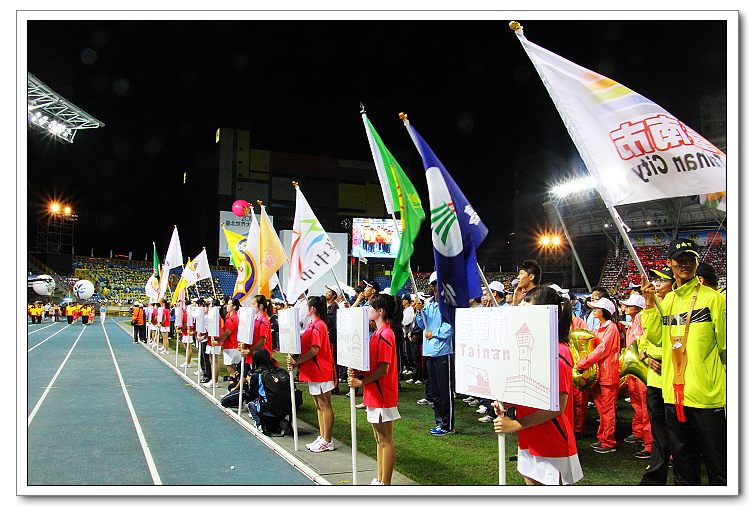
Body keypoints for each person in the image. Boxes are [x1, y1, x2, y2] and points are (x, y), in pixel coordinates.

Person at [640, 238, 726, 485]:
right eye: (679, 260)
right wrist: (649, 306)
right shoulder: (667, 301)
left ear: (697, 262)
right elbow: (656, 337)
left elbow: (725, 347)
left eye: (690, 258)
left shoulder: (714, 299)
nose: (685, 264)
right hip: (673, 396)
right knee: (683, 465)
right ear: (671, 263)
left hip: (706, 397)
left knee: (718, 466)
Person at [492, 286, 583, 485]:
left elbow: (557, 406)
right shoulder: (538, 350)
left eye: (527, 311)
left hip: (552, 442)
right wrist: (508, 403)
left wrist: (515, 424)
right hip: (529, 438)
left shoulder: (558, 353)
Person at [348, 293, 402, 485]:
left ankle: (385, 483)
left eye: (371, 307)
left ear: (380, 311)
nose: (368, 310)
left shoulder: (386, 334)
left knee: (385, 440)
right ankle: (380, 479)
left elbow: (383, 369)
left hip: (382, 394)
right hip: (375, 393)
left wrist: (361, 382)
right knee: (379, 440)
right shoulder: (378, 333)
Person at [638, 265, 675, 484]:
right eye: (657, 280)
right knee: (659, 430)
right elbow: (644, 340)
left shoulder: (675, 306)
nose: (657, 285)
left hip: (672, 378)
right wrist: (646, 357)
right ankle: (656, 474)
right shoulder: (653, 307)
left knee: (676, 431)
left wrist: (658, 355)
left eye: (663, 281)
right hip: (654, 379)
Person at [286, 296, 336, 453]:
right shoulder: (313, 325)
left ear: (312, 309)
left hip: (321, 370)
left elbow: (315, 350)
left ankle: (327, 440)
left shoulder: (318, 325)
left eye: (307, 306)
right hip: (314, 371)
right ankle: (323, 436)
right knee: (319, 405)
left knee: (324, 405)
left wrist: (297, 361)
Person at [576, 296, 620, 453]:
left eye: (596, 308)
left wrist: (583, 363)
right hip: (599, 374)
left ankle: (608, 442)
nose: (593, 310)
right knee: (602, 409)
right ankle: (603, 438)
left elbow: (601, 350)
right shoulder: (598, 328)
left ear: (605, 311)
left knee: (607, 410)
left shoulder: (611, 329)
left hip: (608, 374)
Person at [416, 271, 455, 436]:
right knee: (436, 391)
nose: (436, 288)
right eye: (434, 285)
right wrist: (419, 312)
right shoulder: (429, 304)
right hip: (429, 351)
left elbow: (451, 326)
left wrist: (435, 333)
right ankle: (440, 422)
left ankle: (448, 425)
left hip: (442, 352)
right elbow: (422, 324)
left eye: (438, 284)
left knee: (445, 390)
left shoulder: (448, 304)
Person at [619, 293, 652, 459]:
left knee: (644, 406)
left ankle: (649, 444)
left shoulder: (641, 318)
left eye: (629, 305)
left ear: (637, 308)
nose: (625, 307)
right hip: (634, 367)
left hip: (642, 367)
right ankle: (639, 433)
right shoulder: (633, 322)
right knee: (637, 403)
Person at [246, 348, 291, 436]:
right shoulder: (280, 371)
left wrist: (249, 382)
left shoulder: (257, 375)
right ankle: (279, 422)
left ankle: (259, 423)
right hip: (285, 409)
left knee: (251, 404)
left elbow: (251, 395)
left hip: (267, 410)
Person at [217, 298, 241, 385]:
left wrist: (217, 341)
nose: (227, 306)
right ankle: (234, 386)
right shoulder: (234, 317)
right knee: (234, 367)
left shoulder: (232, 319)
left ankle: (234, 386)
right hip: (234, 345)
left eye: (229, 304)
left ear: (234, 307)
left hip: (231, 346)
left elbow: (227, 333)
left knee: (230, 368)